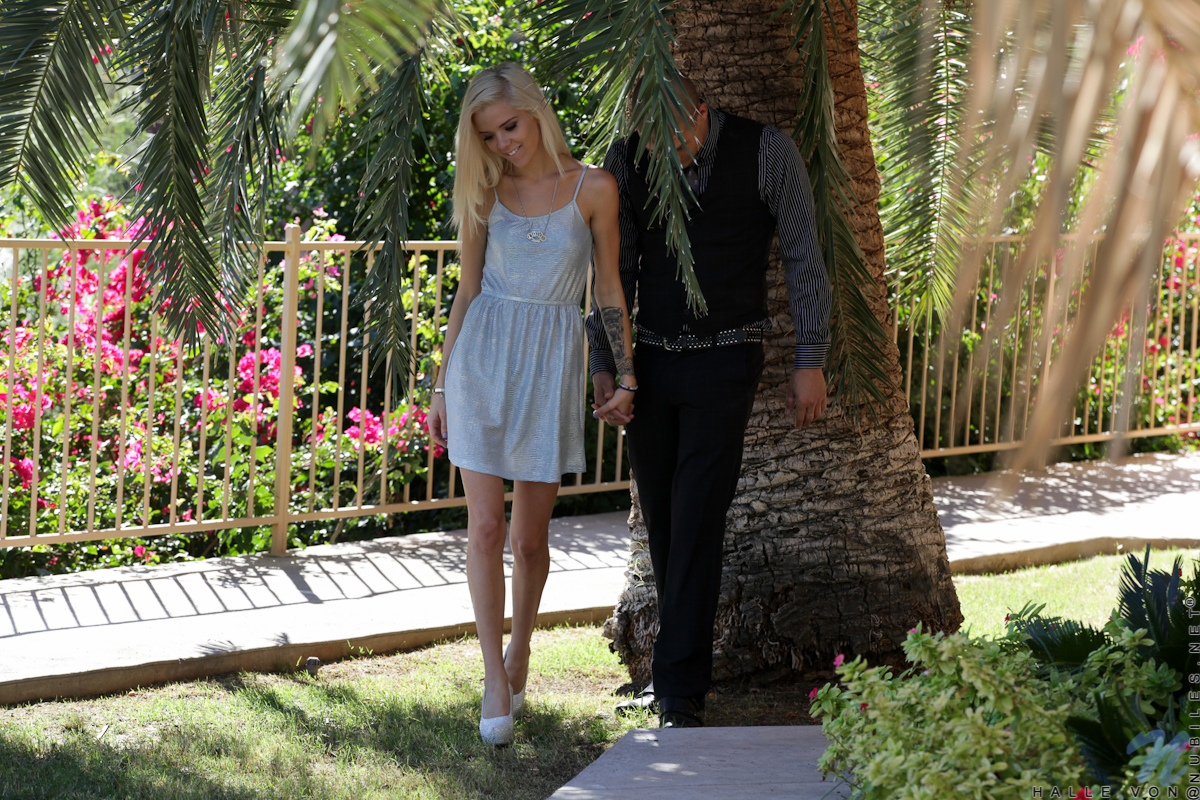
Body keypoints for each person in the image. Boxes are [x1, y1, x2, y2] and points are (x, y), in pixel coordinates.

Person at [586, 73, 832, 728]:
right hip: (649, 364)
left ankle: (679, 691)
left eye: (675, 135)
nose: (663, 150)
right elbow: (613, 269)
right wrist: (606, 363)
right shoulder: (625, 160)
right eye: (651, 138)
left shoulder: (767, 150)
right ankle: (676, 676)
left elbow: (804, 257)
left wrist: (810, 359)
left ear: (701, 110)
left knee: (697, 515)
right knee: (665, 522)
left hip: (727, 359)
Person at [427, 62, 636, 746]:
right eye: (489, 136)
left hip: (550, 367)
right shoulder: (485, 192)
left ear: (536, 110)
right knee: (486, 529)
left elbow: (607, 288)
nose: (503, 144)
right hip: (480, 364)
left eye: (509, 127)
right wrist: (441, 385)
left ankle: (521, 646)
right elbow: (466, 291)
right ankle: (494, 676)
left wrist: (624, 372)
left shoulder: (594, 188)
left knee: (530, 538)